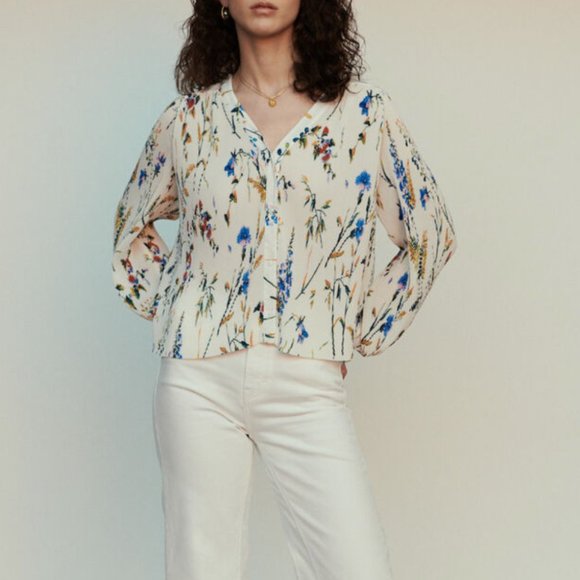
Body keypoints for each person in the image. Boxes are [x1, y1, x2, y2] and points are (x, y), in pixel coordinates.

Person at [111, 1, 458, 578]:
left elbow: (431, 233)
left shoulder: (365, 116)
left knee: (358, 567)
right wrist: (182, 307)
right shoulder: (188, 121)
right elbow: (131, 226)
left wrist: (351, 327)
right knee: (201, 566)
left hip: (306, 382)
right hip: (198, 381)